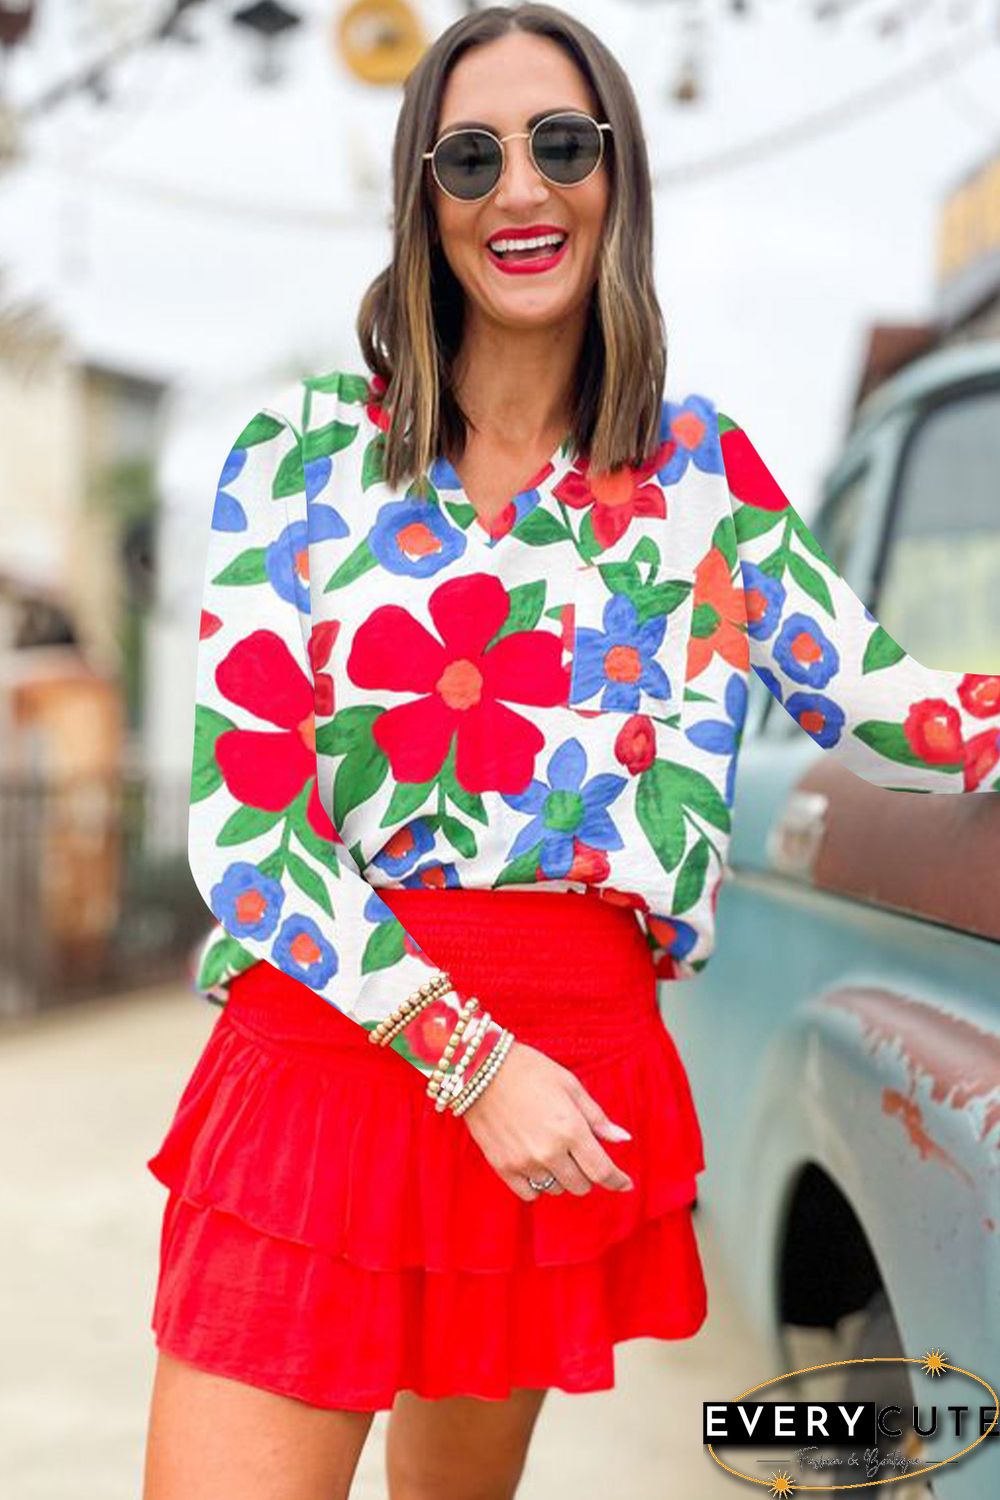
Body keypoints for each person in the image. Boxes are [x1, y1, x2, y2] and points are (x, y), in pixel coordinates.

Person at [141, 5, 1000, 1498]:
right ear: (424, 197)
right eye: (470, 157)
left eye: (562, 143)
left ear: (618, 172)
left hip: (568, 1087)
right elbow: (250, 834)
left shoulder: (699, 481)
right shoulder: (298, 461)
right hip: (339, 1064)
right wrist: (470, 1062)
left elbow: (893, 709)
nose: (520, 188)